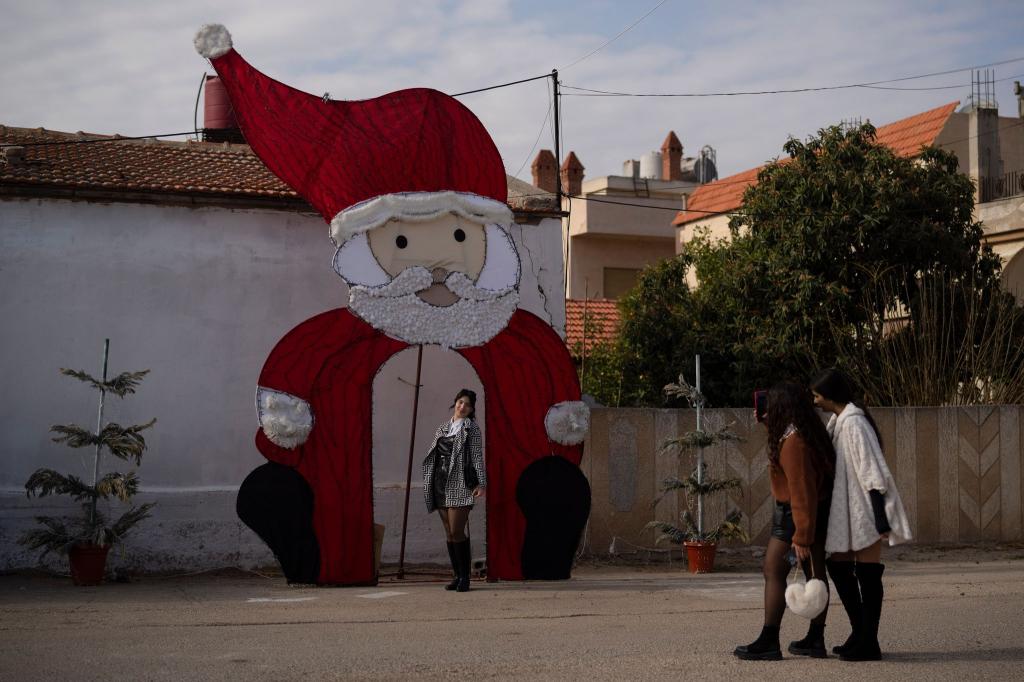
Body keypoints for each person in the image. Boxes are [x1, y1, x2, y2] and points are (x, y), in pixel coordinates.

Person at [812, 368, 912, 662]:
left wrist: (881, 520)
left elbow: (872, 471)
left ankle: (869, 642)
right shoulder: (839, 422)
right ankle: (861, 632)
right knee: (839, 565)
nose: (815, 400)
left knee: (867, 575)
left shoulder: (854, 424)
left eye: (817, 395)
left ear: (830, 396)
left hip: (866, 511)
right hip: (847, 512)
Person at [735, 382, 835, 661]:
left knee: (774, 569)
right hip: (800, 516)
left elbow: (802, 490)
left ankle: (770, 640)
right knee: (812, 573)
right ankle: (815, 639)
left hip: (795, 517)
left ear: (782, 408)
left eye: (771, 407)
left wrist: (802, 535)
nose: (765, 413)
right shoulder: (798, 434)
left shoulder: (794, 442)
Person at [422, 389, 486, 592]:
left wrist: (481, 483)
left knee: (458, 531)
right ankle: (457, 576)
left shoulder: (472, 429)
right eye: (460, 402)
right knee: (449, 533)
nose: (462, 407)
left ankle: (466, 577)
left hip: (460, 483)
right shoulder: (442, 428)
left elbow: (476, 457)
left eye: (467, 404)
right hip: (440, 484)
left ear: (472, 409)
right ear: (455, 403)